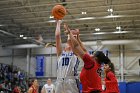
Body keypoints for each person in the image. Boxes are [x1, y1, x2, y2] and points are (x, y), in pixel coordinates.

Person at [64, 23, 110, 93]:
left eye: (93, 54)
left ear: (96, 58)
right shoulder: (96, 63)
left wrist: (70, 33)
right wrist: (78, 37)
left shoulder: (90, 62)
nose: (90, 55)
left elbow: (76, 46)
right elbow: (84, 50)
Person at [55, 20, 80, 93]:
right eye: (66, 43)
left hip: (71, 81)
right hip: (59, 81)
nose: (68, 43)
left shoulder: (75, 52)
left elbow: (72, 43)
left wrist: (70, 34)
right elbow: (57, 36)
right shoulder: (60, 53)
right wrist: (58, 23)